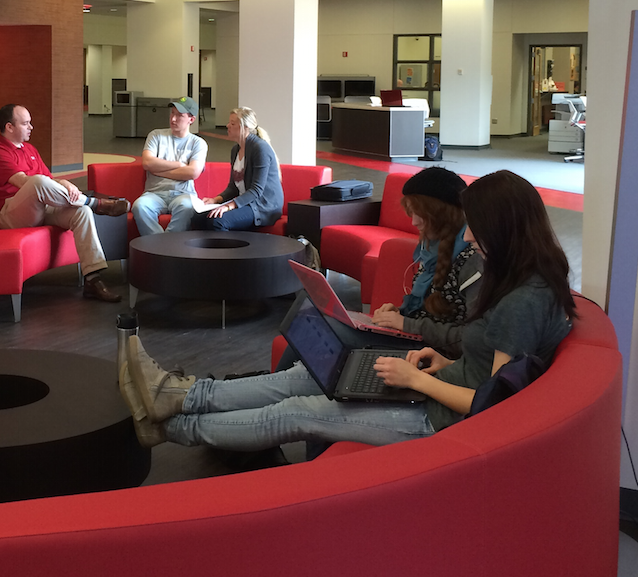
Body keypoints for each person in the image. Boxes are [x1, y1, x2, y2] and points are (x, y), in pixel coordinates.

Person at [119, 170, 575, 451]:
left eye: (477, 229)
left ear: (503, 228)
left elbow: (493, 405)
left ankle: (173, 427)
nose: (470, 238)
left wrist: (419, 379)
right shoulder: (517, 276)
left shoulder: (522, 300)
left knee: (295, 412)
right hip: (435, 383)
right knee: (303, 380)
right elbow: (484, 364)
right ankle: (180, 397)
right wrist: (444, 362)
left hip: (435, 417)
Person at [0, 104, 129, 303]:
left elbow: (48, 180)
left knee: (81, 212)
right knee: (37, 182)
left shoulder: (30, 149)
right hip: (12, 215)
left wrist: (64, 183)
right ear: (9, 127)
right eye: (25, 124)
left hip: (39, 208)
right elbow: (26, 182)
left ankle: (93, 279)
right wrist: (51, 184)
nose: (31, 127)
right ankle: (97, 204)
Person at [367, 167, 483, 356]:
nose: (413, 222)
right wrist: (398, 313)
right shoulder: (431, 247)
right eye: (411, 212)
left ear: (441, 214)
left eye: (420, 213)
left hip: (438, 355)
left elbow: (471, 339)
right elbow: (429, 313)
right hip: (419, 342)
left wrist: (407, 324)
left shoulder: (474, 258)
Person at [189, 107, 283, 232]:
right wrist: (215, 200)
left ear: (245, 128)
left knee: (218, 222)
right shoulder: (235, 150)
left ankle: (228, 251)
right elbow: (233, 187)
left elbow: (256, 190)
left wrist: (229, 206)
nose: (227, 126)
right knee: (198, 218)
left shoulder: (260, 148)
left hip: (263, 205)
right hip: (245, 202)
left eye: (233, 124)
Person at [132, 97, 208, 235]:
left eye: (179, 115)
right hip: (154, 193)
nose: (173, 119)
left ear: (191, 119)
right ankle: (163, 246)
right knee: (139, 206)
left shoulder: (198, 143)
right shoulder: (156, 135)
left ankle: (161, 247)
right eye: (172, 113)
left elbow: (193, 173)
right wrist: (179, 165)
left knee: (188, 206)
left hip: (184, 194)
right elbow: (147, 163)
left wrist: (158, 170)